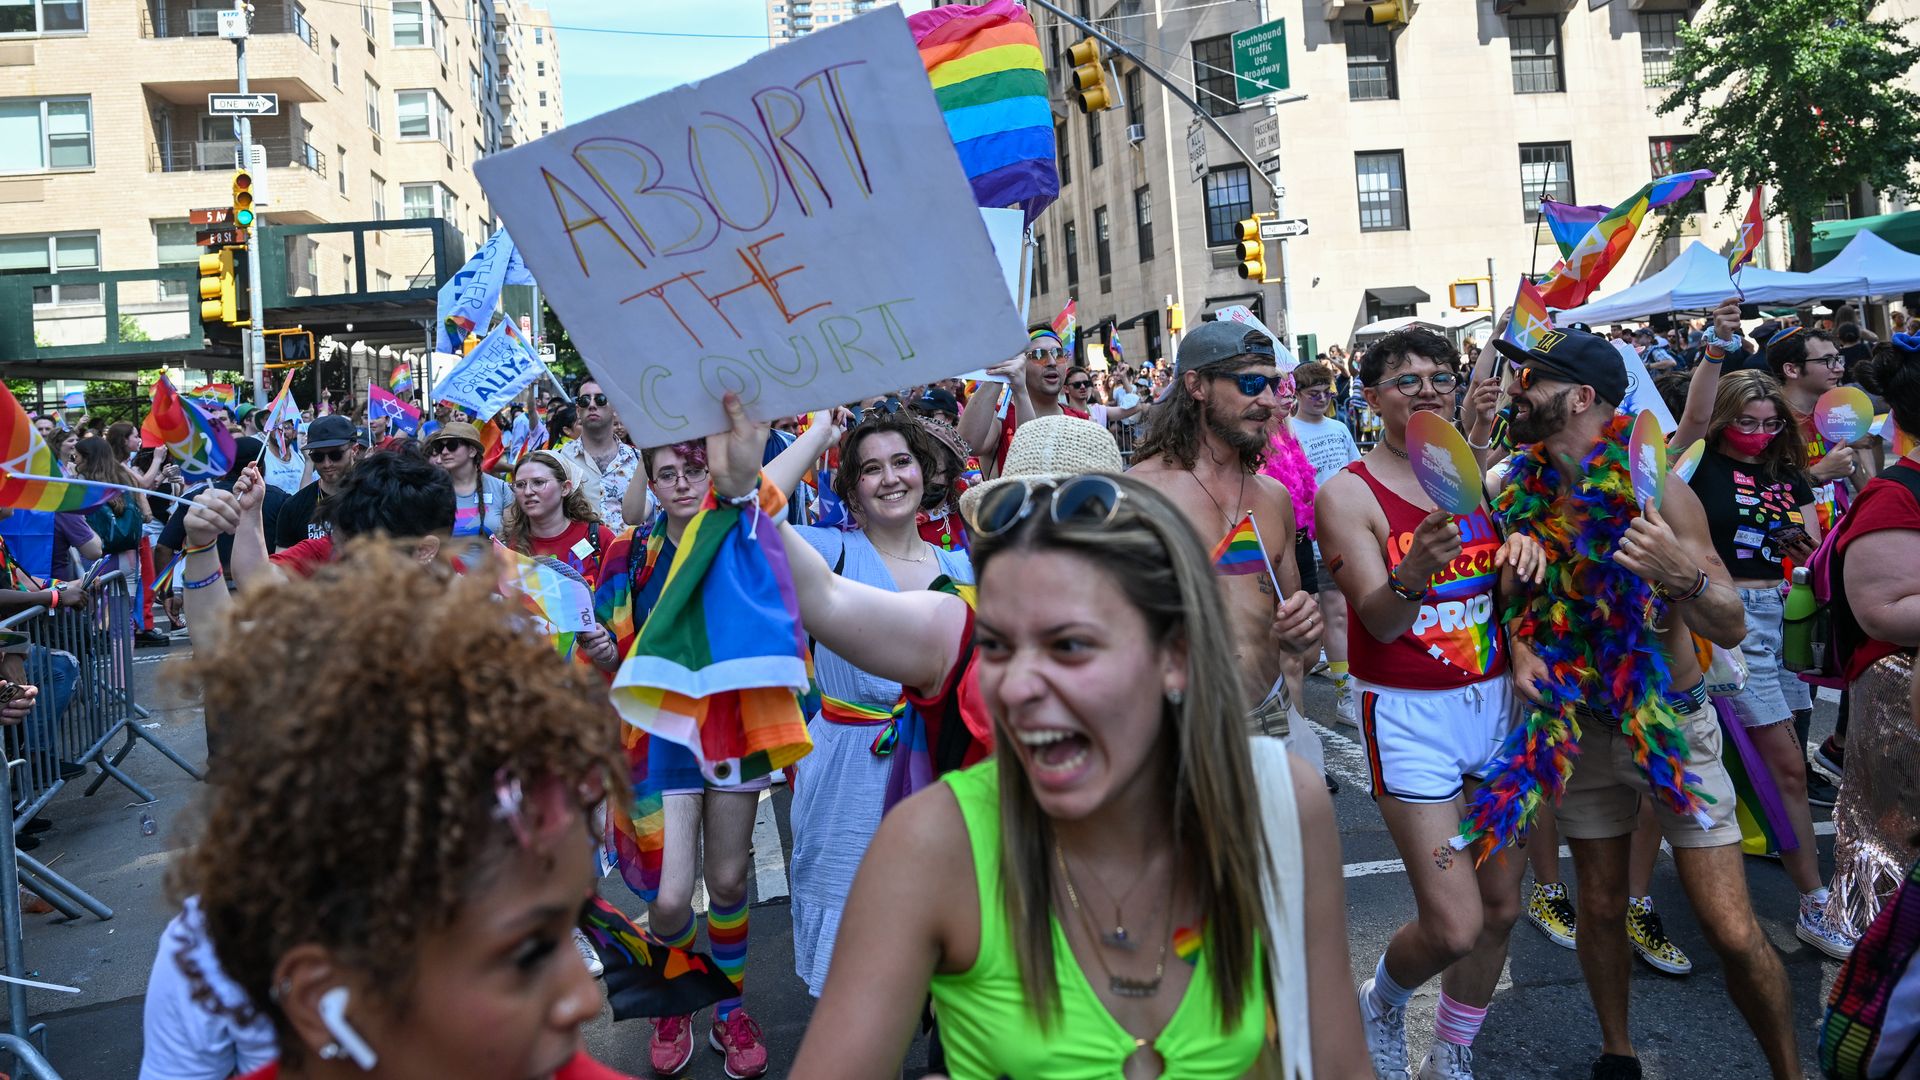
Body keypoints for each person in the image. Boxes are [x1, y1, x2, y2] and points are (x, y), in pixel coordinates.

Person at [647, 394, 1368, 1076]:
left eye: (1073, 646)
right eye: (998, 646)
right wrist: (742, 490)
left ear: (1170, 652)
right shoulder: (937, 834)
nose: (1019, 684)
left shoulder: (1275, 806)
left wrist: (1289, 648)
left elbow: (1335, 1064)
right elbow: (822, 593)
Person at [155, 539, 635, 1080]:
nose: (586, 999)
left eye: (573, 922)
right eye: (524, 953)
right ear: (322, 1004)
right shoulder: (210, 947)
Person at [1490, 327, 1800, 1080]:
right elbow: (1509, 613)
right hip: (1581, 729)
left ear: (1582, 397)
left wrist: (1683, 579)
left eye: (1530, 381)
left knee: (1728, 927)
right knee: (1597, 906)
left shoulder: (1656, 487)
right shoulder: (1515, 491)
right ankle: (1617, 1056)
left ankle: (1791, 1072)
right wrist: (1521, 641)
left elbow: (1728, 621)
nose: (1512, 393)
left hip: (1669, 727)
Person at [1315, 327, 1541, 1080]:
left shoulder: (1471, 472)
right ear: (1372, 396)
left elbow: (1502, 596)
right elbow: (1378, 619)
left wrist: (1522, 564)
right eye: (1405, 380)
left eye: (1438, 377)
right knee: (1454, 923)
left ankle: (1451, 1051)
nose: (1426, 390)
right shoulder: (1347, 492)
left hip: (1496, 707)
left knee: (1503, 908)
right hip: (1410, 716)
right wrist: (1412, 570)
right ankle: (1379, 1003)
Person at [783, 410, 975, 1007]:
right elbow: (742, 515)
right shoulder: (827, 553)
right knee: (860, 982)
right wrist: (819, 433)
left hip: (945, 777)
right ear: (850, 487)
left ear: (924, 473)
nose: (890, 479)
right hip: (849, 776)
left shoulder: (964, 568)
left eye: (901, 462)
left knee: (946, 957)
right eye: (870, 469)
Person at [1687, 369, 1854, 957]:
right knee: (1785, 765)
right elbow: (1692, 419)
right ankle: (1814, 899)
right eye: (1746, 422)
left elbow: (1813, 547)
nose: (1758, 432)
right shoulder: (1699, 464)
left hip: (1786, 614)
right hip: (1728, 623)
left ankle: (1706, 878)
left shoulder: (1789, 475)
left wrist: (1809, 554)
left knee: (1768, 761)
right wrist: (1712, 354)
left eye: (1769, 422)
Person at [1124, 320, 1322, 738]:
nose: (1269, 401)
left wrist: (1301, 631)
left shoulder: (1273, 496)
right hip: (1180, 733)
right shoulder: (1137, 495)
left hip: (1273, 719)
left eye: (1273, 385)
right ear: (1196, 386)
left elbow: (1299, 650)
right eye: (1251, 383)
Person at [1289, 361, 1363, 726]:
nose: (1320, 399)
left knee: (1337, 612)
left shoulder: (1338, 428)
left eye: (1326, 393)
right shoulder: (1287, 430)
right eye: (1313, 394)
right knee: (1314, 614)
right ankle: (1324, 685)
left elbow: (1356, 472)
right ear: (1298, 394)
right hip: (1305, 536)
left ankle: (1344, 695)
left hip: (1340, 533)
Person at [958, 328, 1075, 476]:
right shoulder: (999, 419)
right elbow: (965, 445)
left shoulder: (1083, 421)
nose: (1052, 362)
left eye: (1059, 354)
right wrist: (1001, 370)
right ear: (1020, 363)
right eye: (1039, 355)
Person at [498, 451, 613, 584]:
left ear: (565, 488)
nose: (528, 491)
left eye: (538, 482)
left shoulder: (600, 538)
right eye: (520, 485)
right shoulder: (509, 547)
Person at [555, 379, 645, 532]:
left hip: (632, 553)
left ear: (615, 408)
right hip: (580, 554)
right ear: (578, 411)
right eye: (584, 400)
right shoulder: (560, 460)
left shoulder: (638, 460)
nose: (592, 405)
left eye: (601, 399)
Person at [424, 422, 512, 556]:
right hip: (448, 575)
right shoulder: (432, 491)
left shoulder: (501, 488)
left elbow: (514, 541)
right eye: (441, 446)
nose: (444, 452)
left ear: (472, 451)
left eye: (452, 446)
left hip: (495, 573)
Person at [273, 415, 360, 549]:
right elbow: (282, 562)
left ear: (354, 450)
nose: (327, 464)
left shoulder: (376, 496)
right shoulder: (294, 506)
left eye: (335, 455)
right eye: (318, 457)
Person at [1061, 366, 1142, 429]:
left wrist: (1123, 377)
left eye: (1086, 383)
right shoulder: (1062, 414)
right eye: (1077, 384)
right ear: (1066, 389)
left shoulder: (1098, 410)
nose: (1082, 387)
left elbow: (1136, 407)